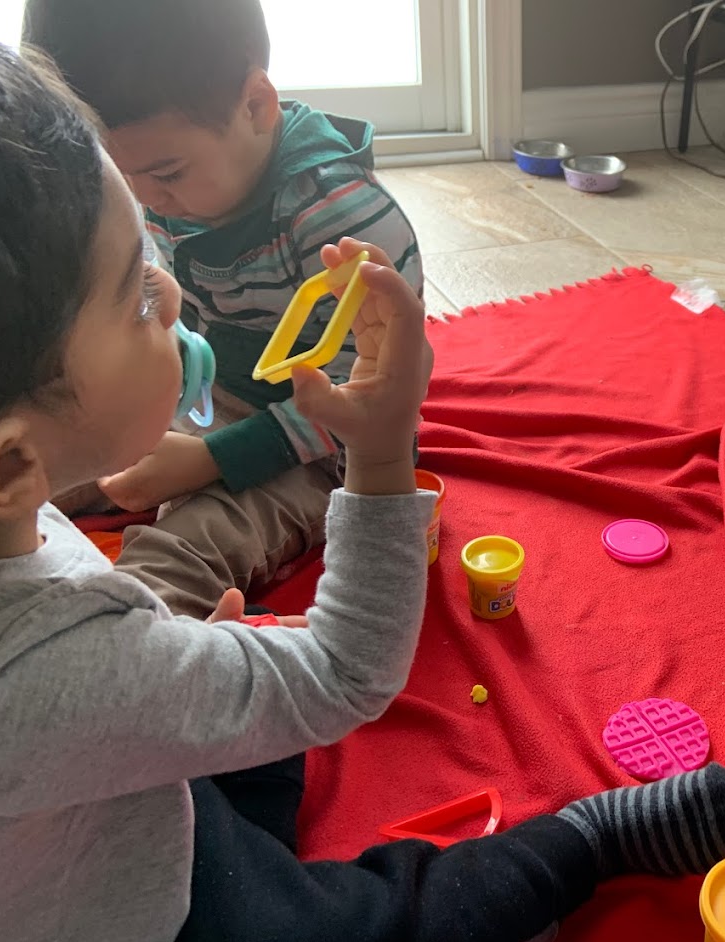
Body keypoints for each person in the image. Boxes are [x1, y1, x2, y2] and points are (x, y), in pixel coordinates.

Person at [0, 37, 725, 942]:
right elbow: (347, 673)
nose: (169, 294)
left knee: (237, 671)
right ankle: (581, 844)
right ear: (10, 465)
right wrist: (383, 453)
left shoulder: (12, 520)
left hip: (109, 796)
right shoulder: (48, 676)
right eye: (136, 294)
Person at [22, 0, 425, 619]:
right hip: (214, 391)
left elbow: (365, 402)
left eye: (165, 174)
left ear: (257, 106)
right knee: (36, 461)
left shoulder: (339, 218)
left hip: (322, 446)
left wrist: (215, 458)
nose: (143, 200)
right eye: (115, 176)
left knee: (184, 547)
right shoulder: (159, 178)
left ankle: (125, 659)